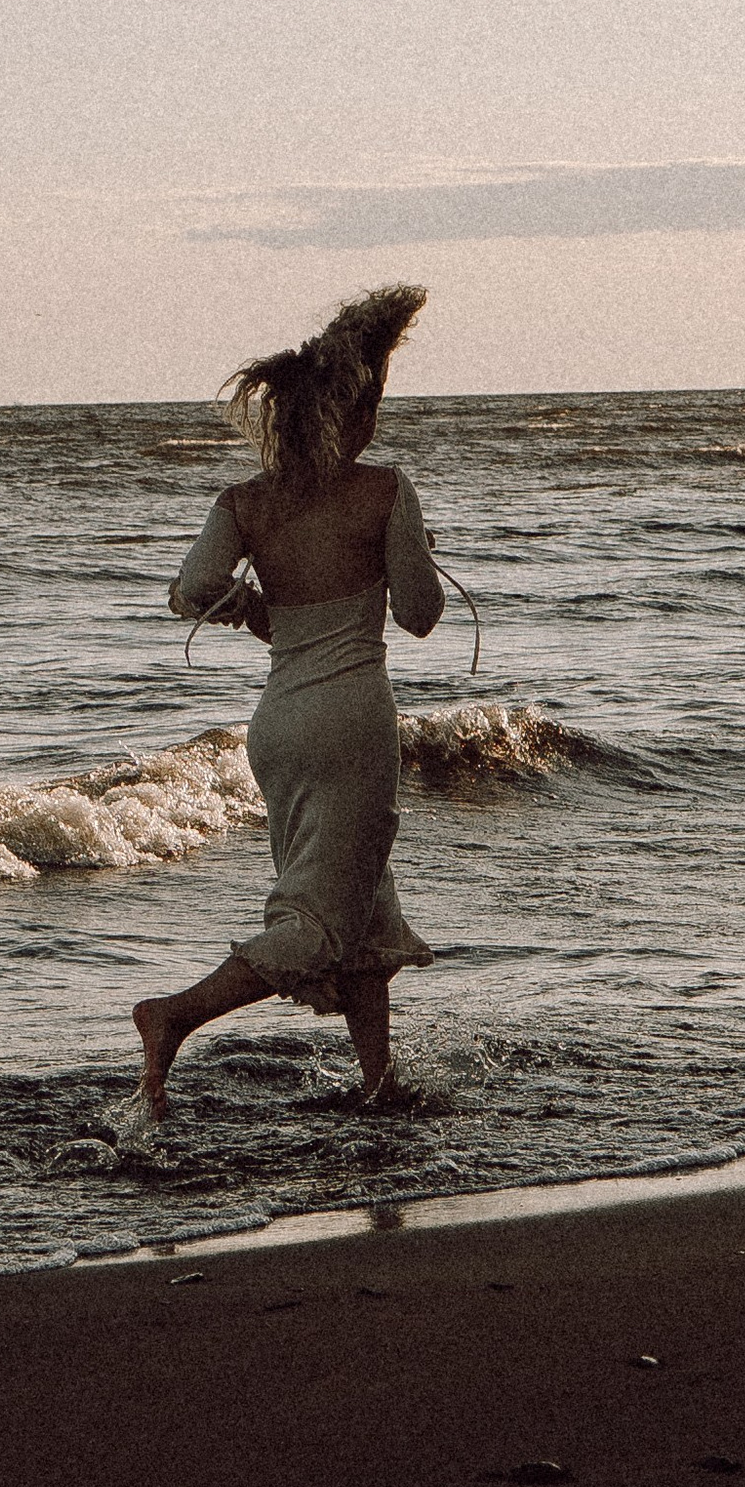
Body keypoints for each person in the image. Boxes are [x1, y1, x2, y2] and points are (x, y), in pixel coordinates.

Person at [134, 286, 445, 1117]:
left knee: (366, 913)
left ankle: (378, 1085)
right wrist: (412, 547)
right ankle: (175, 1018)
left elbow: (190, 591)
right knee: (317, 919)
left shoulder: (245, 502)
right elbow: (418, 617)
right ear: (357, 413)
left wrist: (251, 606)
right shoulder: (384, 489)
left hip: (279, 728)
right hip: (351, 725)